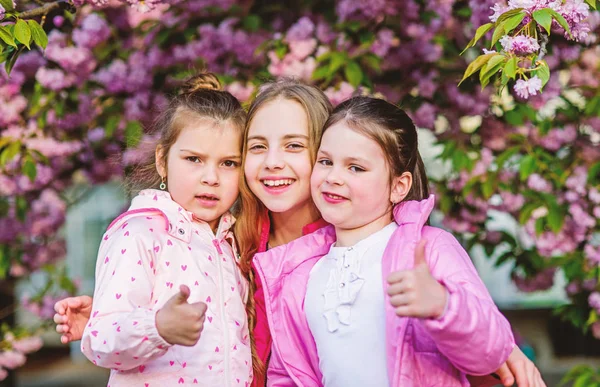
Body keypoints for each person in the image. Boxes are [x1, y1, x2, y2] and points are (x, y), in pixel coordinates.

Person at [55, 80, 544, 387]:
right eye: (256, 147)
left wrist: (502, 354)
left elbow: (449, 318)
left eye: (295, 146)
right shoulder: (232, 235)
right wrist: (115, 313)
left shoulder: (366, 239)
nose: (272, 164)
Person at [253, 96, 544, 386]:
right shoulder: (299, 278)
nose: (334, 177)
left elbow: (490, 351)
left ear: (398, 186)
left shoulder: (429, 249)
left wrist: (444, 306)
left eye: (356, 167)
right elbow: (287, 376)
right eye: (326, 162)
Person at [79, 73, 252, 386]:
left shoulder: (230, 241)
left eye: (229, 163)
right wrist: (156, 327)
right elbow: (99, 339)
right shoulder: (140, 233)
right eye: (194, 159)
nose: (211, 177)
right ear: (163, 160)